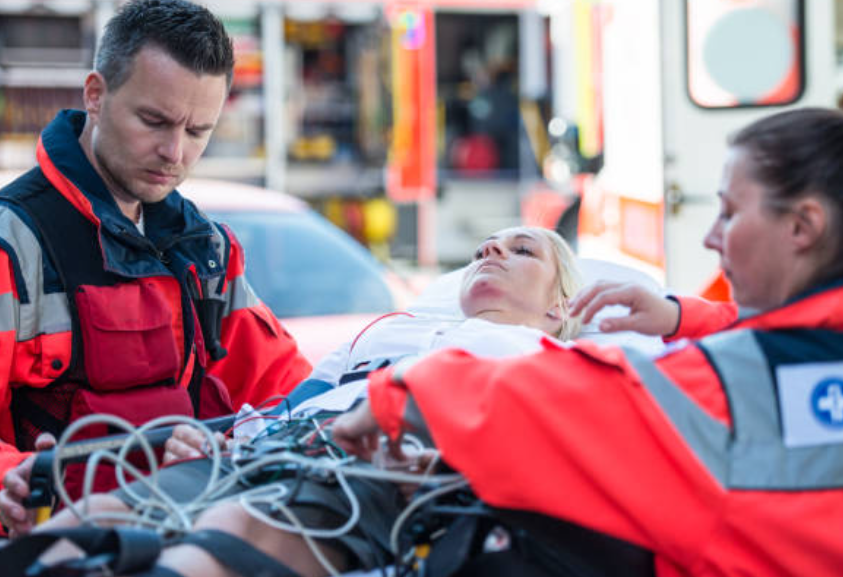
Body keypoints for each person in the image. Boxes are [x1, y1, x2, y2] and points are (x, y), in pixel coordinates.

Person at [332, 107, 843, 576]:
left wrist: (404, 390)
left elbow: (578, 401)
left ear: (803, 227)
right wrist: (682, 316)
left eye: (729, 212)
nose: (710, 236)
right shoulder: (816, 355)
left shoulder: (727, 388)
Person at [10, 225, 583, 576]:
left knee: (222, 537)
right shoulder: (387, 331)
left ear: (558, 309)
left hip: (371, 466)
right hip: (276, 449)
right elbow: (292, 403)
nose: (492, 250)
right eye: (487, 245)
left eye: (522, 250)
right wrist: (221, 438)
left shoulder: (541, 358)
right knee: (96, 517)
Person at [0, 0, 311, 537]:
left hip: (182, 539)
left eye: (198, 132)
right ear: (95, 95)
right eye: (154, 121)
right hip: (48, 548)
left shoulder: (208, 248)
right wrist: (12, 479)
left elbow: (285, 389)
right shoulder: (13, 245)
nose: (174, 153)